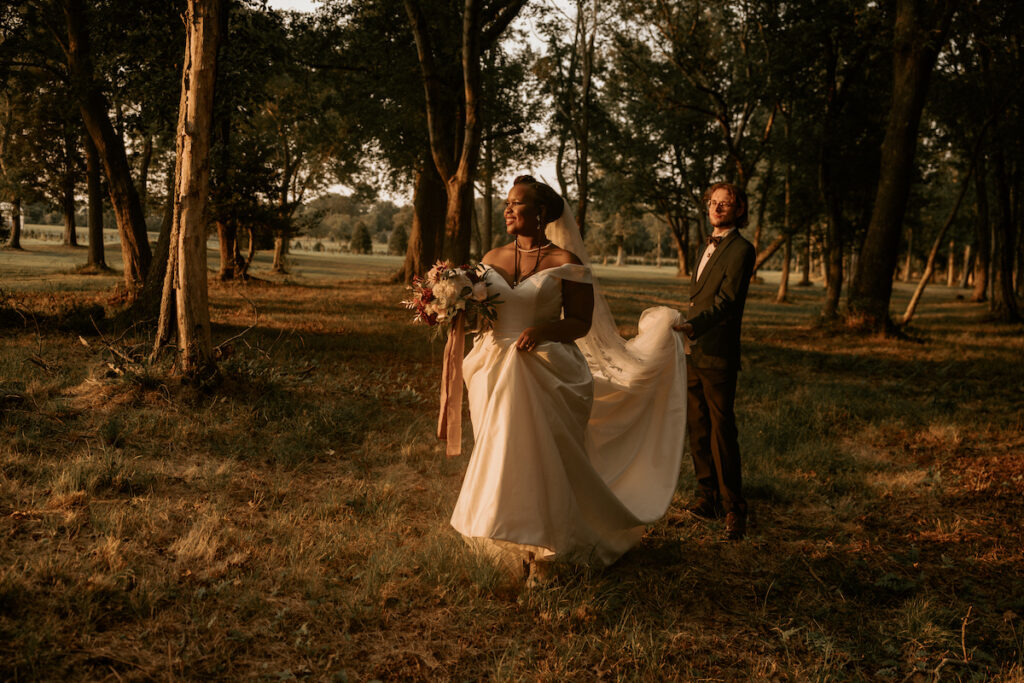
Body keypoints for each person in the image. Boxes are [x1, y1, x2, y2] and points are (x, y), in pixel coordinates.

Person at [450, 175, 687, 577]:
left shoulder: (566, 263)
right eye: (506, 203)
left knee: (534, 455)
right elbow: (482, 311)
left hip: (543, 367)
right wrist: (450, 306)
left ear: (540, 213)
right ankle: (500, 532)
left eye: (517, 203)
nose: (508, 209)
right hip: (490, 365)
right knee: (498, 451)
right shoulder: (490, 258)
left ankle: (545, 545)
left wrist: (542, 331)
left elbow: (579, 323)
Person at [673, 182, 756, 540]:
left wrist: (693, 326)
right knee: (698, 425)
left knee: (722, 431)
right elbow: (701, 296)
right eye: (713, 202)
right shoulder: (705, 246)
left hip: (718, 351)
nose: (717, 208)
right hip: (694, 350)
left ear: (739, 210)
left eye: (726, 203)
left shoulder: (741, 249)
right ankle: (706, 497)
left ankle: (734, 508)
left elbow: (727, 302)